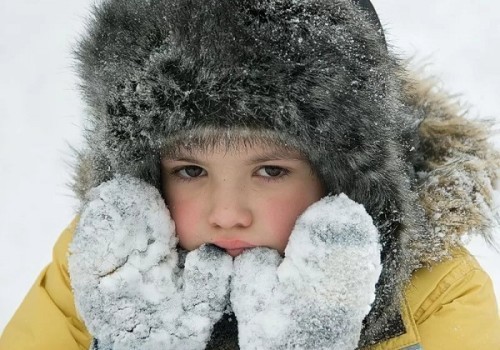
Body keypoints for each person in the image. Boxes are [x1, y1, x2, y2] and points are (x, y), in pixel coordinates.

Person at [1, 0, 500, 349]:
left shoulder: (434, 297)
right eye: (191, 170)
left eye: (270, 170)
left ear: (345, 179)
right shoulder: (99, 277)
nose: (227, 213)